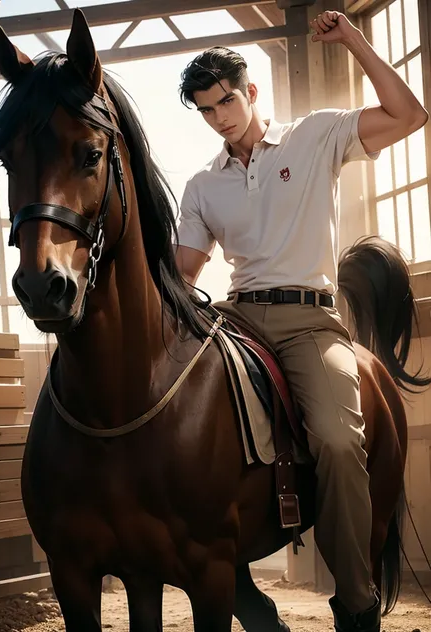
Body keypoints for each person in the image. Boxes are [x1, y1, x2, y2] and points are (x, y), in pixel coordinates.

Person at [174, 9, 428, 632]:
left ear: (251, 91)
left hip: (310, 323)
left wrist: (354, 41)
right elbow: (183, 271)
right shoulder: (202, 185)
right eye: (206, 110)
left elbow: (410, 115)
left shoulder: (316, 135)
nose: (221, 118)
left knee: (340, 443)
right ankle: (241, 596)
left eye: (227, 100)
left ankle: (357, 602)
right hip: (235, 319)